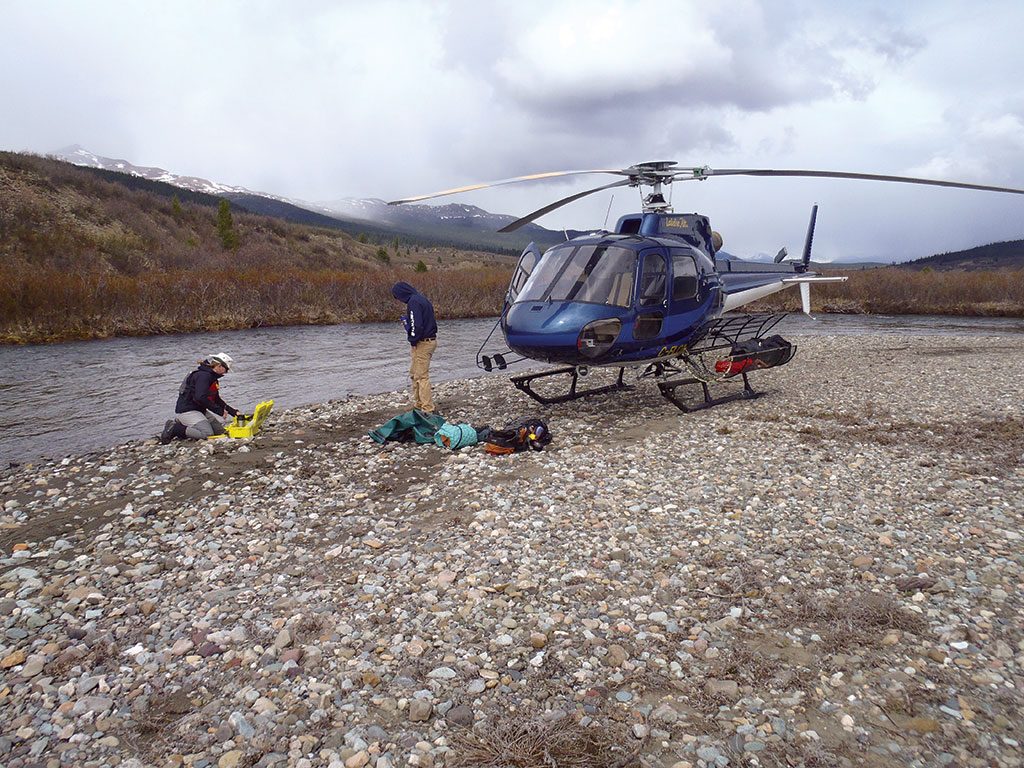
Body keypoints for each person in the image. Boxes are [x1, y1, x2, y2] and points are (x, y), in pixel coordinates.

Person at [160, 353, 239, 443]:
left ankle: (186, 426)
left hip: (199, 410)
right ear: (220, 366)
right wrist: (219, 411)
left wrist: (234, 412)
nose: (226, 373)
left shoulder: (212, 378)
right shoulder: (203, 376)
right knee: (207, 434)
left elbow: (216, 399)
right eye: (226, 369)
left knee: (220, 432)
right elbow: (200, 397)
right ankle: (175, 428)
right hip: (187, 410)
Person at [391, 281, 438, 413]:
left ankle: (427, 408)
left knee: (421, 377)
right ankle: (418, 404)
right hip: (428, 340)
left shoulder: (413, 302)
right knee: (414, 374)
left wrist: (412, 339)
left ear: (401, 294)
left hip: (422, 343)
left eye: (397, 297)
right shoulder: (422, 299)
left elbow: (417, 326)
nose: (399, 300)